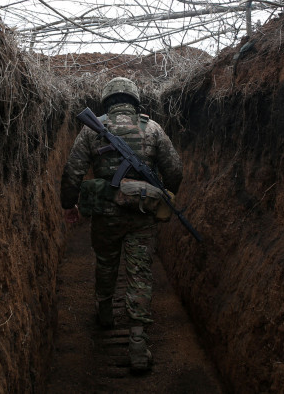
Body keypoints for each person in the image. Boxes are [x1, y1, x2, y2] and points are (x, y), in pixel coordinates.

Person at [60, 77, 183, 372]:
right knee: (140, 272)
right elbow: (174, 169)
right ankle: (138, 342)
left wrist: (69, 205)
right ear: (134, 99)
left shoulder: (91, 131)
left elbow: (72, 171)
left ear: (107, 100)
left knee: (105, 262)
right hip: (142, 215)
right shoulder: (152, 129)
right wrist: (159, 191)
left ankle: (105, 313)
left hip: (105, 215)